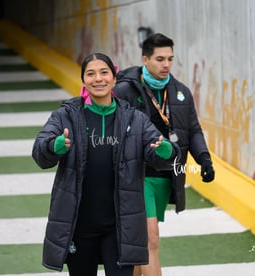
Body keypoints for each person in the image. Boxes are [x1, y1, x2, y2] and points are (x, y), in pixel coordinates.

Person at [32, 53, 180, 276]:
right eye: (90, 74)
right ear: (83, 80)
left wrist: (166, 150)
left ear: (114, 78)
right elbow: (39, 151)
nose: (98, 79)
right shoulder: (66, 116)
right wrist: (55, 146)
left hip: (121, 226)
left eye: (104, 72)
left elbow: (163, 154)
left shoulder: (134, 119)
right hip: (79, 225)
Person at [113, 33, 215, 276]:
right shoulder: (124, 90)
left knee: (142, 245)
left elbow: (193, 130)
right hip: (136, 176)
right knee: (151, 240)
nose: (166, 64)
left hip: (165, 176)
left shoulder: (181, 92)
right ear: (145, 59)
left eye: (170, 58)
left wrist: (204, 159)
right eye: (160, 59)